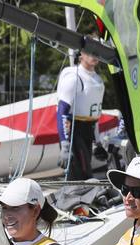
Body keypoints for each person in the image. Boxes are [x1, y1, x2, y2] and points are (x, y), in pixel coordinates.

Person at [56, 51, 105, 181]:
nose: (95, 54)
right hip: (74, 131)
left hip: (88, 131)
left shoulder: (97, 79)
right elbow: (62, 112)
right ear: (82, 54)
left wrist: (97, 143)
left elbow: (94, 116)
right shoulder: (74, 78)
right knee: (82, 175)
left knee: (84, 173)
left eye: (97, 50)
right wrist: (65, 145)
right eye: (90, 51)